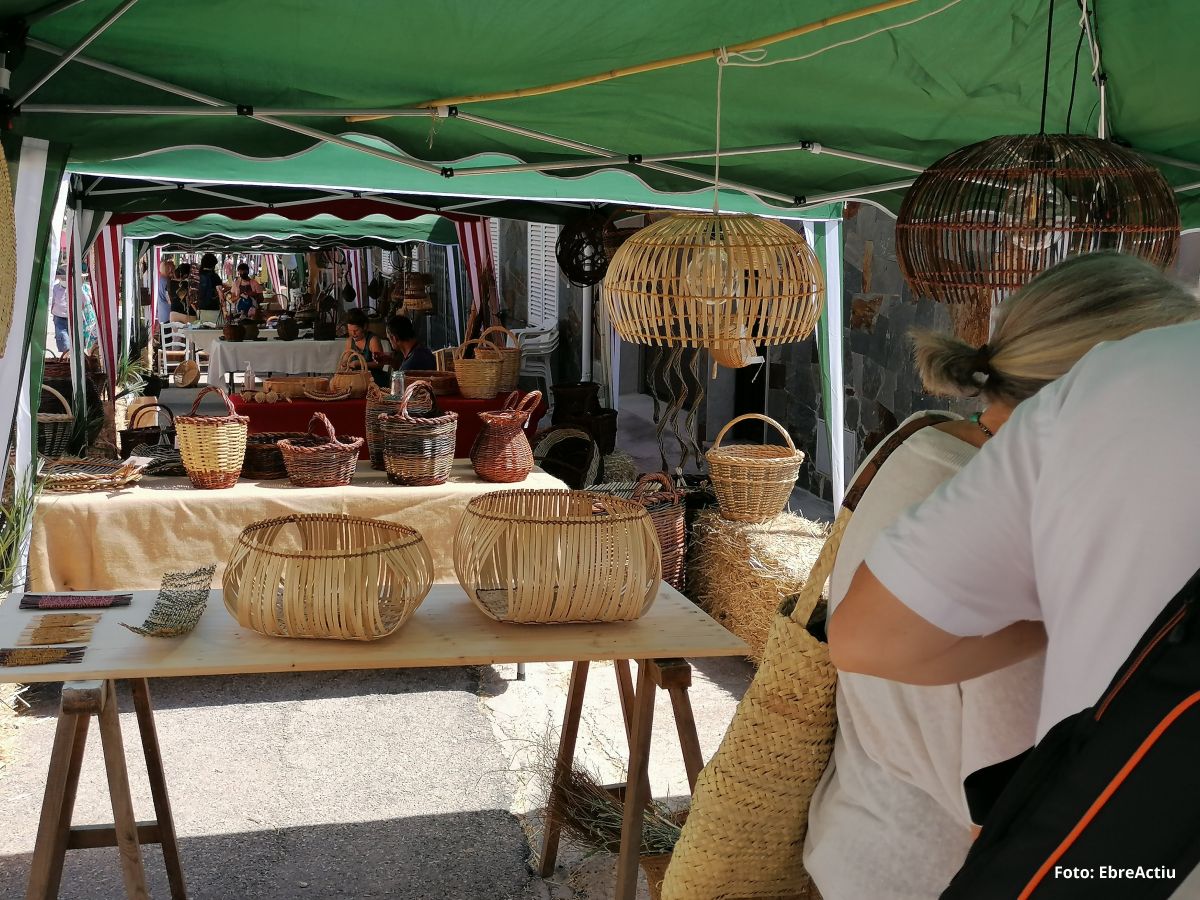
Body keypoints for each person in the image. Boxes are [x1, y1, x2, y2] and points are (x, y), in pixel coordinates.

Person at [806, 252, 1200, 900]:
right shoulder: (1004, 538)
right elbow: (1003, 810)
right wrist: (1070, 614)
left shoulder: (922, 440)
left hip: (857, 844)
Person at [344, 308, 389, 389]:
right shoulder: (350, 341)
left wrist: (360, 363)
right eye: (350, 330)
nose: (353, 334)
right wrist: (344, 365)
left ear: (364, 327)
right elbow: (345, 360)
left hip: (374, 379)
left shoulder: (372, 340)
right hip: (357, 380)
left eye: (356, 330)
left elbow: (380, 364)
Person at [196, 253, 226, 323]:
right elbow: (221, 295)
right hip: (213, 309)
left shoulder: (198, 276)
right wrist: (224, 310)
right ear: (213, 265)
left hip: (200, 310)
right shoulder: (215, 277)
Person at [50, 268, 69, 352]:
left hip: (71, 318)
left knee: (72, 339)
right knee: (62, 338)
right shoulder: (56, 288)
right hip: (58, 317)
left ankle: (69, 357)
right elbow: (52, 300)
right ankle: (66, 357)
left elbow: (84, 300)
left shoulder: (74, 287)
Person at [155, 257, 175, 326]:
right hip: (167, 315)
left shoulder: (160, 279)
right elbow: (169, 299)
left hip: (162, 313)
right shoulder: (166, 282)